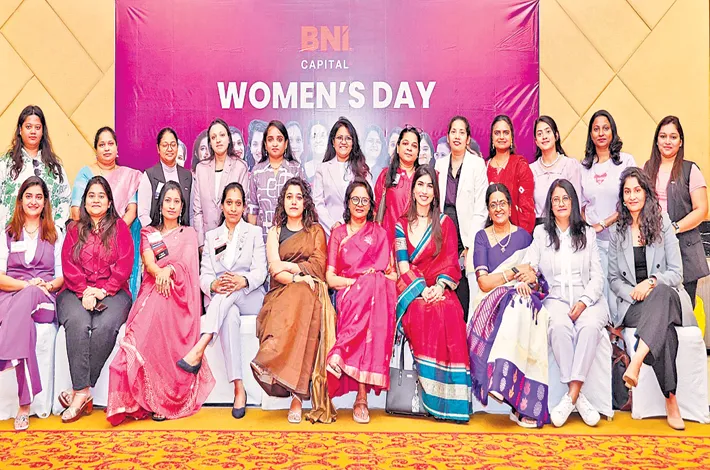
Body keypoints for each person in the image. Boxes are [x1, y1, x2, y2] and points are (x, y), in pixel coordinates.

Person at [106, 181, 215, 424]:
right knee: (146, 325)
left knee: (163, 316)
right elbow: (148, 261)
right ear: (161, 204)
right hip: (154, 288)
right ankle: (140, 399)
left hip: (181, 295)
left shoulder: (188, 234)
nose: (172, 206)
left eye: (177, 201)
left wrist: (171, 271)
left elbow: (187, 266)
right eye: (168, 201)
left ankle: (164, 398)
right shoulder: (149, 233)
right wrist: (160, 273)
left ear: (182, 206)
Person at [607, 167, 694, 431]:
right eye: (627, 192)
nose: (632, 196)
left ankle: (636, 361)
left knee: (661, 295)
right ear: (622, 198)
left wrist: (652, 282)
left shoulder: (662, 223)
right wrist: (633, 292)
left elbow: (676, 273)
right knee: (664, 332)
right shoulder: (618, 232)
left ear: (646, 193)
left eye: (637, 190)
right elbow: (613, 279)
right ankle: (671, 400)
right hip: (634, 305)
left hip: (667, 297)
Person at [520, 179, 608, 428]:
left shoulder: (587, 233)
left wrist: (584, 301)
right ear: (550, 204)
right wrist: (528, 274)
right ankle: (578, 398)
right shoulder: (541, 233)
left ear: (573, 202)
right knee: (558, 327)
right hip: (555, 298)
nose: (560, 203)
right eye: (555, 199)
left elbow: (598, 277)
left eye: (565, 198)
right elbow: (529, 264)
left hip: (588, 299)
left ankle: (570, 397)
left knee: (589, 328)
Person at [251, 178, 336, 424]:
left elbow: (318, 266)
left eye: (299, 197)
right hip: (281, 292)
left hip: (311, 292)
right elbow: (274, 270)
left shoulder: (316, 231)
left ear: (306, 202)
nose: (294, 201)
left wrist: (289, 266)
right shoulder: (275, 231)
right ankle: (271, 360)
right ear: (283, 201)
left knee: (307, 301)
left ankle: (297, 398)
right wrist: (298, 276)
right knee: (299, 295)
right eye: (289, 197)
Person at [179, 182, 267, 419]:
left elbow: (261, 272)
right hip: (222, 299)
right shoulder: (211, 237)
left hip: (250, 295)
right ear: (222, 206)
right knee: (229, 315)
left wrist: (242, 280)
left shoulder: (254, 233)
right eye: (229, 203)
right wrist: (213, 285)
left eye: (238, 203)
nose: (234, 208)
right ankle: (239, 388)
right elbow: (205, 275)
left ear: (244, 207)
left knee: (232, 291)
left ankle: (201, 345)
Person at [394, 165, 472, 422]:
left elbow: (450, 261)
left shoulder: (445, 223)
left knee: (449, 311)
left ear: (435, 192)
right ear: (413, 189)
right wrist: (422, 289)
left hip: (440, 287)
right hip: (413, 289)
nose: (424, 191)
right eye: (420, 184)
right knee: (421, 311)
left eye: (430, 186)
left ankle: (452, 402)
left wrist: (439, 287)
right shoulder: (401, 225)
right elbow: (403, 266)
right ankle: (432, 396)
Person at [468, 183, 549, 428]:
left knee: (528, 308)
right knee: (517, 304)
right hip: (489, 301)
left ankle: (521, 401)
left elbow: (533, 274)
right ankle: (501, 382)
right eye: (493, 205)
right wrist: (513, 273)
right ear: (488, 210)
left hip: (520, 297)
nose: (498, 208)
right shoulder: (482, 238)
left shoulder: (524, 237)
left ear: (511, 207)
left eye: (502, 203)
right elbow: (484, 283)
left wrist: (525, 279)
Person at [56, 176, 134, 423]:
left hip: (113, 291)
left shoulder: (120, 228)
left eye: (102, 196)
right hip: (74, 290)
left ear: (110, 202)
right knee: (78, 323)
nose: (96, 200)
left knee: (105, 325)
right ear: (84, 201)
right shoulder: (74, 229)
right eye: (91, 195)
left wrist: (104, 290)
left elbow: (125, 264)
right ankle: (83, 392)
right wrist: (84, 291)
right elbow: (68, 265)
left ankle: (79, 392)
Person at [326, 179, 396, 424]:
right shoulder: (338, 234)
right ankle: (360, 398)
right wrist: (357, 283)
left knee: (374, 286)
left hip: (374, 296)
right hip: (347, 295)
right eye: (355, 199)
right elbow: (330, 278)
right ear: (347, 203)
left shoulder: (379, 234)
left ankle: (341, 358)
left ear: (371, 205)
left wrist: (370, 282)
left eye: (364, 200)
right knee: (368, 285)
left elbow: (391, 275)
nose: (359, 204)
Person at [0, 177, 64, 430]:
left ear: (45, 202)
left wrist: (44, 286)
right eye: (29, 196)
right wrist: (26, 285)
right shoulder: (7, 234)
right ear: (20, 200)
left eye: (39, 197)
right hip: (12, 295)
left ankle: (4, 357)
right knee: (23, 324)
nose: (33, 201)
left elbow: (61, 276)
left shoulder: (55, 234)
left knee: (28, 298)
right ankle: (24, 405)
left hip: (44, 299)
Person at [643, 116, 708, 307]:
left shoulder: (690, 169)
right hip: (654, 248)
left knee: (684, 308)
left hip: (684, 250)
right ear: (656, 140)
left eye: (673, 137)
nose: (667, 141)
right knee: (657, 309)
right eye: (663, 136)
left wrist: (673, 228)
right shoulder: (647, 168)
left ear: (680, 142)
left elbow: (702, 209)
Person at [71, 127, 143, 299]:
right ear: (95, 149)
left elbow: (132, 211)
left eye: (110, 143)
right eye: (102, 144)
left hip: (117, 239)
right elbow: (75, 211)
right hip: (89, 239)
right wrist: (95, 234)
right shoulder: (86, 173)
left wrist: (111, 232)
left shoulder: (128, 176)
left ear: (117, 148)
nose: (106, 148)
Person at [579, 110, 636, 317]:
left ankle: (623, 334)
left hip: (621, 237)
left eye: (605, 128)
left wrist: (603, 223)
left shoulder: (626, 161)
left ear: (613, 131)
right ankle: (606, 333)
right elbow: (581, 205)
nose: (601, 133)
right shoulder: (584, 166)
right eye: (596, 129)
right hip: (595, 242)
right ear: (591, 134)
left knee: (621, 291)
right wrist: (588, 229)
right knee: (600, 291)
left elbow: (631, 200)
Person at [435, 116, 488, 321]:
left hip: (467, 234)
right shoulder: (439, 164)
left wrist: (469, 245)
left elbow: (481, 208)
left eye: (461, 132)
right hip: (443, 233)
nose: (457, 136)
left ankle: (468, 330)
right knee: (443, 280)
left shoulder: (477, 164)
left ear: (468, 139)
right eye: (453, 132)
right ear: (448, 137)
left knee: (466, 287)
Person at [0, 105, 70, 229]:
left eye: (37, 127)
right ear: (20, 130)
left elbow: (65, 199)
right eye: (28, 127)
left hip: (47, 235)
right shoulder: (6, 163)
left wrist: (57, 228)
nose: (33, 131)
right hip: (10, 234)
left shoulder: (54, 166)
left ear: (43, 132)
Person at [193, 118, 249, 247]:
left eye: (222, 135)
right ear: (210, 143)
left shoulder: (240, 167)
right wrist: (201, 244)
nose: (218, 140)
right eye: (213, 137)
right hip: (207, 241)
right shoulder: (201, 169)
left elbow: (243, 208)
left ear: (229, 139)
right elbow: (197, 211)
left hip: (234, 240)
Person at [313, 117, 371, 237]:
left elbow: (369, 201)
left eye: (348, 138)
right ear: (333, 142)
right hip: (329, 232)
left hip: (357, 232)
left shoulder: (363, 170)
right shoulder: (322, 169)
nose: (343, 142)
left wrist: (344, 223)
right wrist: (334, 226)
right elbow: (317, 203)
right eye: (339, 138)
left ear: (353, 143)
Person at [247, 120, 305, 240]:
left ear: (286, 144)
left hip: (291, 238)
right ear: (265, 144)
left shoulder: (295, 169)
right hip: (262, 239)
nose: (274, 144)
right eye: (270, 139)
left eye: (279, 139)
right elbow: (253, 210)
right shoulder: (257, 172)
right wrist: (252, 240)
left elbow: (304, 206)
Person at [486, 115, 535, 234]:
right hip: (489, 235)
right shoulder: (484, 167)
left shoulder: (520, 165)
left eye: (506, 133)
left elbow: (526, 208)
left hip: (516, 234)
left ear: (512, 137)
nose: (501, 137)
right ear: (492, 138)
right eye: (497, 133)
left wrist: (521, 237)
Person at [137, 128, 193, 227]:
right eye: (165, 145)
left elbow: (192, 214)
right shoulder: (149, 175)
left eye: (173, 145)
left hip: (182, 233)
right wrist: (155, 234)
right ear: (158, 148)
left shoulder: (188, 176)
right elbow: (143, 214)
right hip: (156, 233)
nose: (169, 149)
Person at [530, 116, 581, 222]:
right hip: (540, 226)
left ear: (556, 135)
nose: (544, 137)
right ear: (536, 141)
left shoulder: (570, 165)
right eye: (539, 134)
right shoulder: (531, 169)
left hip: (566, 224)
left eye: (548, 132)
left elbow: (577, 203)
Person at [374, 127, 420, 246]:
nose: (409, 148)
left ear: (418, 152)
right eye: (405, 143)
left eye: (414, 146)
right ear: (398, 148)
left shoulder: (423, 178)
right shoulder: (386, 175)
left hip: (416, 243)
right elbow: (375, 210)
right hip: (389, 243)